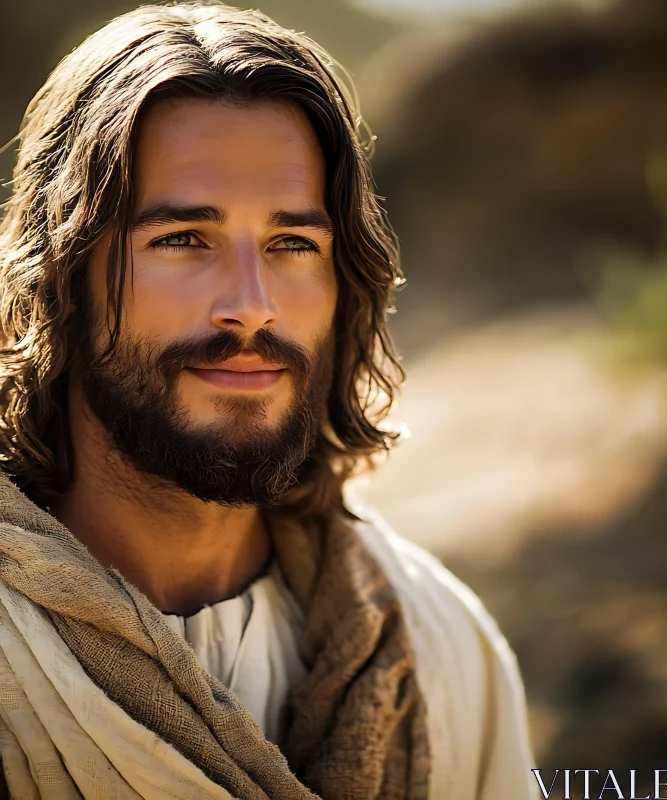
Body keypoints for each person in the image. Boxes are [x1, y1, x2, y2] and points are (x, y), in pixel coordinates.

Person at [0, 4, 534, 798]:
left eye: (293, 245)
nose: (252, 306)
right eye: (182, 239)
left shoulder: (444, 648)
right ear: (62, 278)